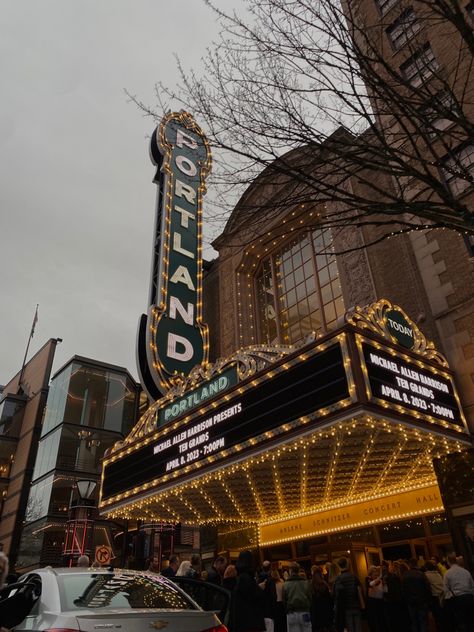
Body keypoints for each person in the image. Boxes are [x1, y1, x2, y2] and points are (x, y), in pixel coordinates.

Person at [231, 550, 265, 632]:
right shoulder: (246, 577)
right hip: (250, 622)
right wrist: (260, 588)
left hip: (243, 622)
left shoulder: (241, 577)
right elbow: (252, 595)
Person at [443, 552, 474, 632]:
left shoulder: (447, 573)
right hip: (470, 598)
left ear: (448, 561)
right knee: (471, 620)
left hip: (458, 599)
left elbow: (446, 589)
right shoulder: (465, 571)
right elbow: (472, 586)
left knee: (461, 622)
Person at [333, 557, 364, 632]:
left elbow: (335, 594)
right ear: (347, 565)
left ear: (339, 566)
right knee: (358, 628)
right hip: (356, 605)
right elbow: (361, 590)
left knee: (350, 629)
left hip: (346, 607)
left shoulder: (338, 579)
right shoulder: (354, 577)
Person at [402, 558, 431, 632]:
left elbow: (403, 590)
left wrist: (407, 599)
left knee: (414, 622)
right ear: (416, 564)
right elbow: (427, 588)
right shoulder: (421, 574)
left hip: (411, 602)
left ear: (410, 564)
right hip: (421, 601)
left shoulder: (405, 575)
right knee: (423, 621)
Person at [282, 561, 311, 632]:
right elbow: (310, 597)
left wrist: (287, 609)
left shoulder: (286, 584)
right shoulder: (306, 583)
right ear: (298, 570)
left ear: (290, 571)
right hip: (305, 612)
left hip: (292, 613)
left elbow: (284, 599)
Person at [309, 566, 332, 632]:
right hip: (325, 609)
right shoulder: (324, 585)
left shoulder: (311, 585)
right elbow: (329, 598)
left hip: (315, 610)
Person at [423, 560, 444, 632]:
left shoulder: (426, 575)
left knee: (437, 617)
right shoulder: (438, 574)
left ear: (426, 567)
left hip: (434, 598)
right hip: (442, 596)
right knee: (442, 617)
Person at [365, 565, 386, 632]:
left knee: (381, 620)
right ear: (371, 573)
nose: (376, 573)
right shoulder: (368, 579)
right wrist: (379, 577)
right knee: (375, 621)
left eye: (377, 572)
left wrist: (384, 584)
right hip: (372, 603)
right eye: (374, 572)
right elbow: (371, 584)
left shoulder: (379, 580)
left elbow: (385, 590)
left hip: (380, 601)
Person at [258, 560, 277, 632]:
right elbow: (273, 596)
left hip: (260, 613)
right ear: (270, 568)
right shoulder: (271, 580)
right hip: (269, 612)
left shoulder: (258, 580)